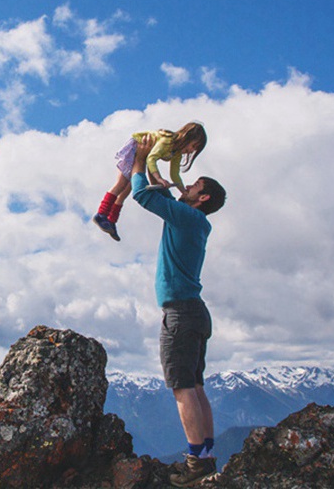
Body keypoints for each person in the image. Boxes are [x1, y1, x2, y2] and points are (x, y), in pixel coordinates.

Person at [131, 134, 226, 488]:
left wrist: (140, 162)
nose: (187, 184)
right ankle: (208, 455)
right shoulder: (193, 220)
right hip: (195, 313)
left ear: (202, 198)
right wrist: (162, 182)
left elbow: (142, 196)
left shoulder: (187, 218)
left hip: (181, 315)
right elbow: (165, 200)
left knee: (182, 388)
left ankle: (194, 462)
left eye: (195, 185)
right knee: (197, 386)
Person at [93, 122, 206, 242]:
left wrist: (183, 191)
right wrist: (158, 179)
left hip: (143, 154)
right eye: (193, 146)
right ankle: (101, 214)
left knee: (127, 189)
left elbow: (175, 175)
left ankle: (111, 220)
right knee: (121, 184)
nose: (192, 151)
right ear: (187, 137)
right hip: (136, 148)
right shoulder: (166, 142)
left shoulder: (176, 153)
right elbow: (151, 158)